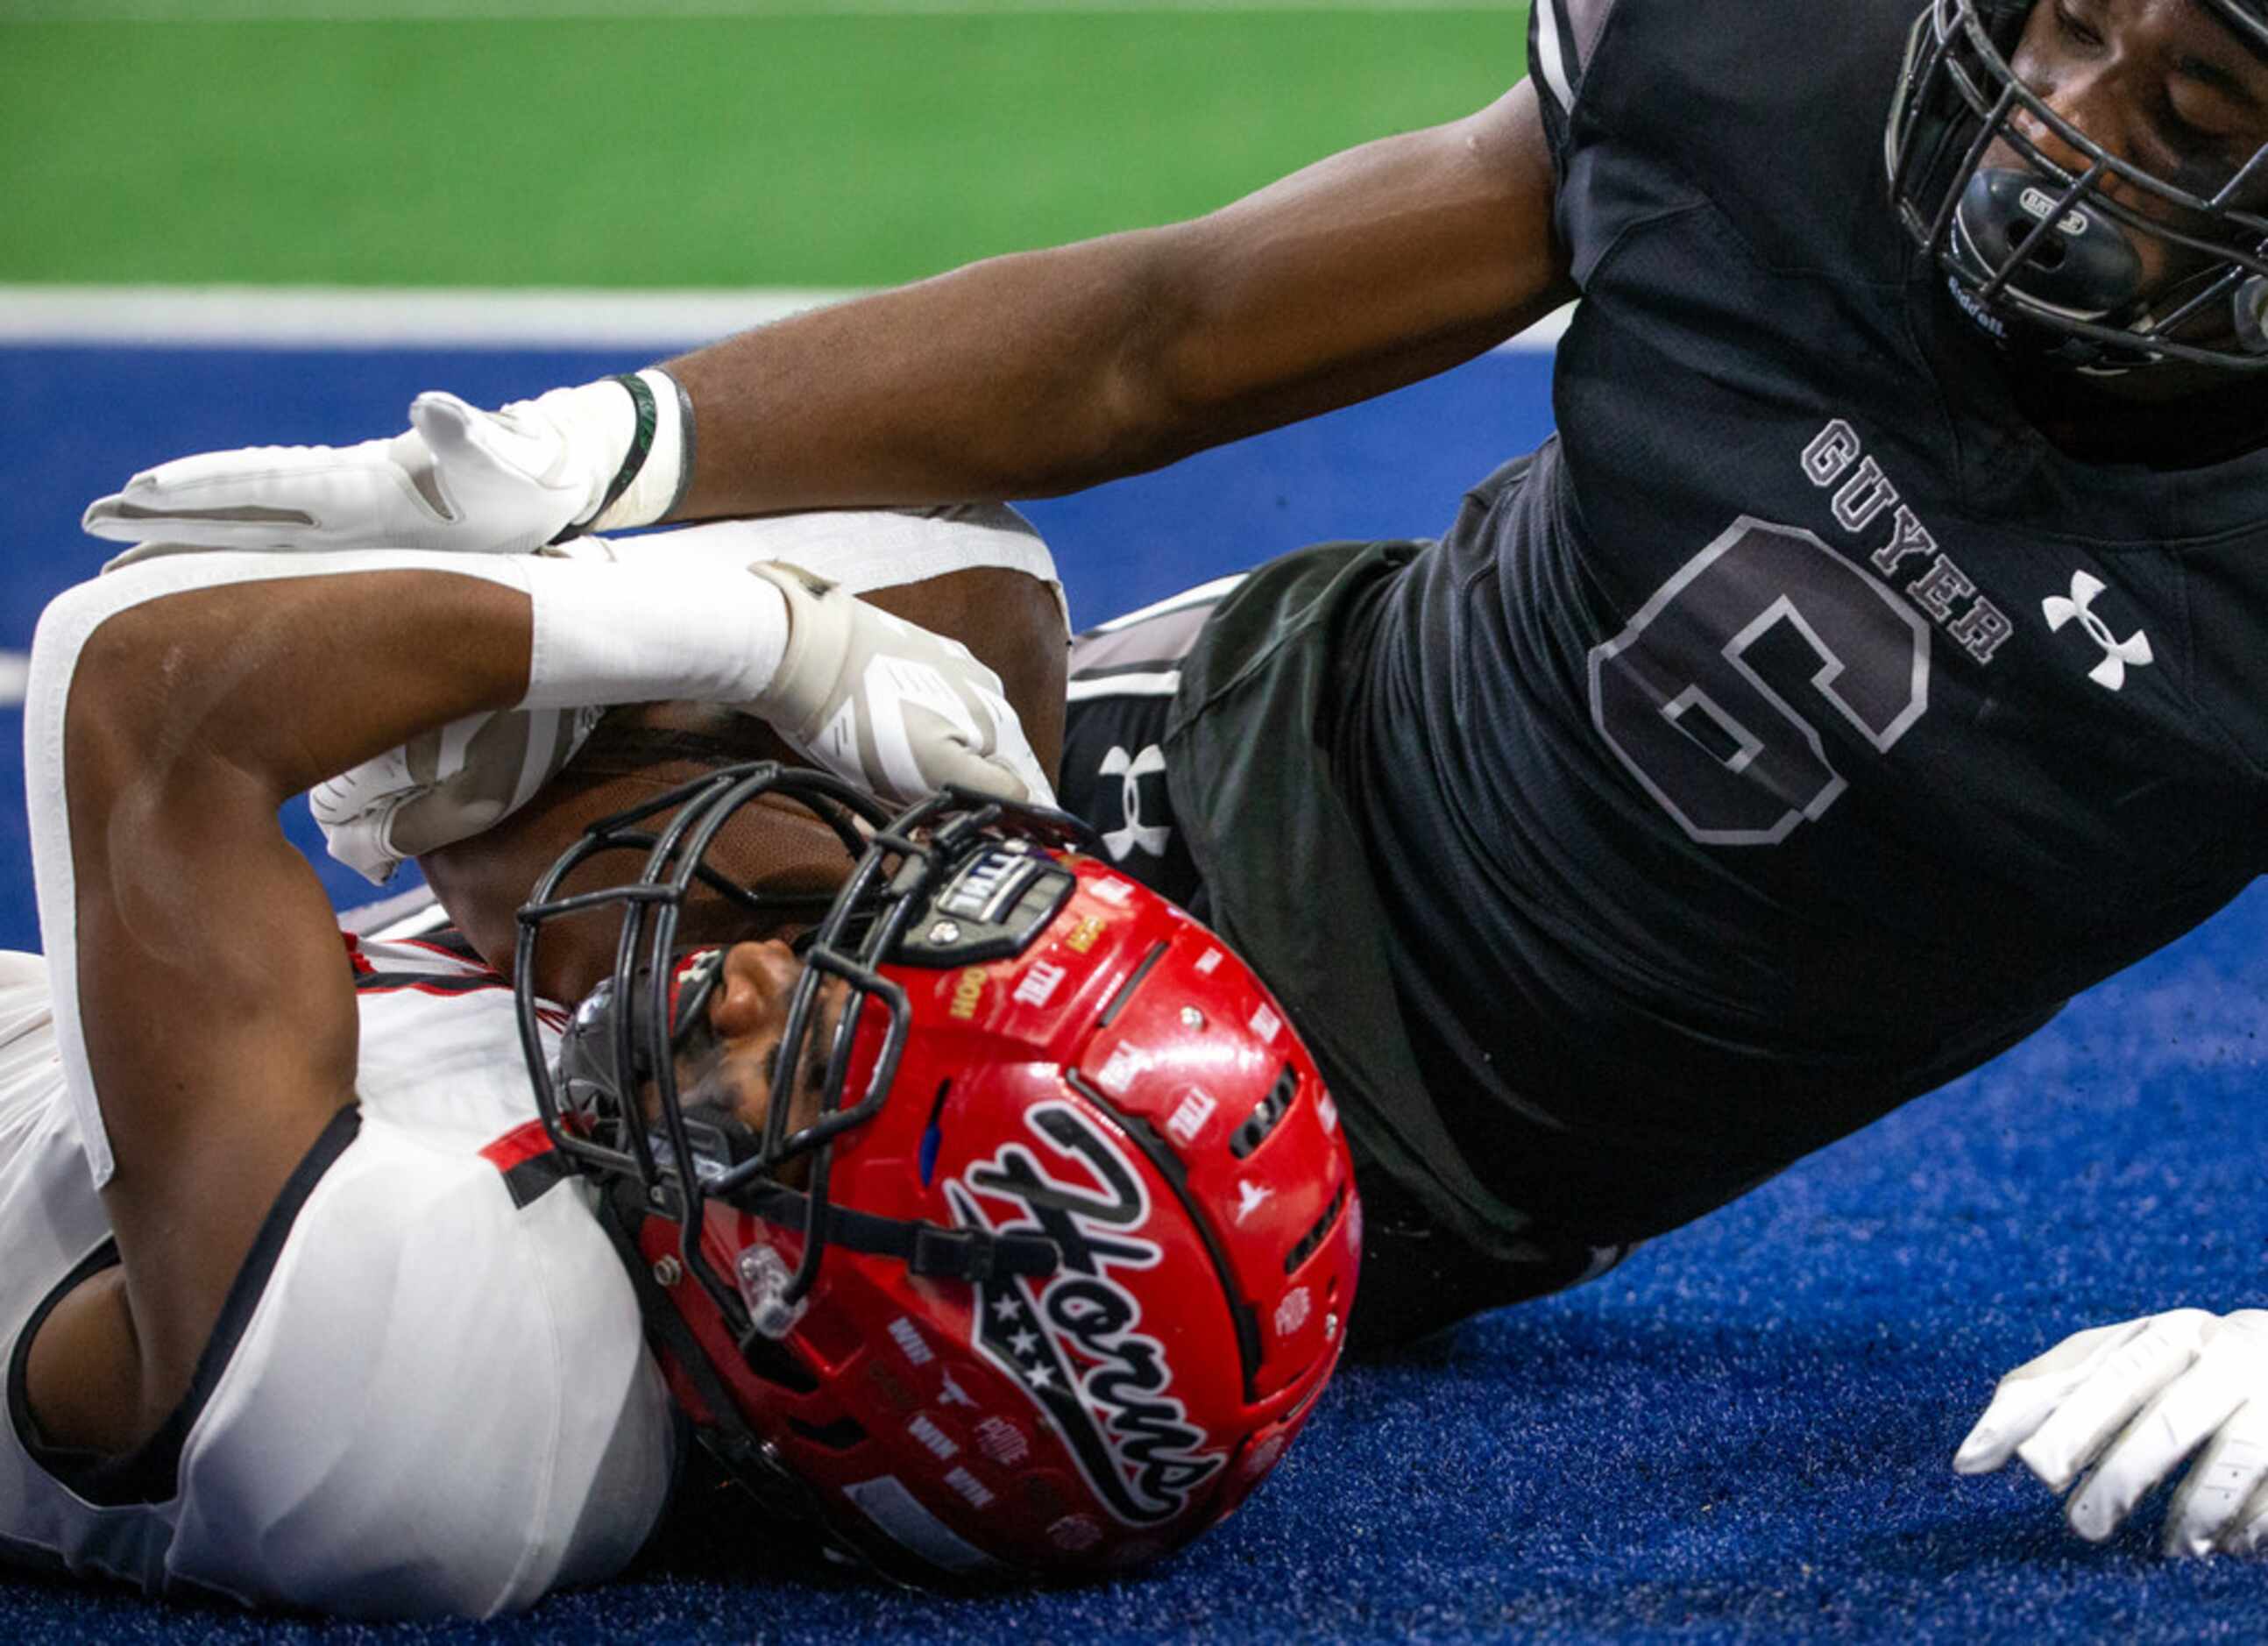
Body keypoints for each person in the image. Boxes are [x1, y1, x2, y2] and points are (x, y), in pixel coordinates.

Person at [84, 0, 2268, 1558]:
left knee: (423, 1387)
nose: (2052, 130)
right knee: (863, 584)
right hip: (1173, 740)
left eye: (2191, 102)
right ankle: (370, 1003)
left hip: (1342, 1147)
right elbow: (1165, 331)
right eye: (2061, 20)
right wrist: (606, 456)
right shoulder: (1794, 55)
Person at [0, 540, 1358, 1614]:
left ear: (852, 1323)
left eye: (813, 1051)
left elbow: (138, 679)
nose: (762, 969)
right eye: (850, 946)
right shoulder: (707, 1198)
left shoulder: (437, 1406)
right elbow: (982, 586)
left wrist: (726, 629)